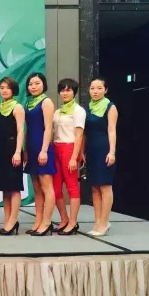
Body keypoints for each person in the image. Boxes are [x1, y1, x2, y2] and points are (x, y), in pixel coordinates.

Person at [84, 78, 118, 236]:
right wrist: (82, 151)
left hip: (104, 149)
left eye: (99, 88)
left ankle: (105, 222)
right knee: (95, 187)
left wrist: (112, 152)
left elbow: (112, 130)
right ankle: (97, 222)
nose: (95, 91)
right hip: (91, 150)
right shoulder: (87, 108)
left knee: (105, 186)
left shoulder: (110, 107)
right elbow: (84, 133)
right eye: (92, 88)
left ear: (106, 90)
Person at [52, 78, 86, 235]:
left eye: (68, 90)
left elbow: (79, 135)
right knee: (55, 188)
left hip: (70, 148)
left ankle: (73, 222)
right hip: (56, 148)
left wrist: (74, 157)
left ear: (74, 92)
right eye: (62, 90)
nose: (65, 93)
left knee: (72, 186)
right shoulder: (57, 112)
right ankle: (64, 219)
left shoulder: (78, 111)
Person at [24, 73, 56, 236]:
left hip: (43, 148)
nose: (33, 86)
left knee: (46, 187)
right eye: (31, 84)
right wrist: (26, 150)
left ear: (43, 84)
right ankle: (38, 221)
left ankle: (47, 222)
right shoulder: (28, 103)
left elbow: (48, 128)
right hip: (31, 147)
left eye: (37, 83)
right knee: (36, 189)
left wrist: (44, 150)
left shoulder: (46, 102)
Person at [0, 77, 25, 235]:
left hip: (13, 148)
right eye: (2, 87)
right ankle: (7, 220)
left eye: (7, 87)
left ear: (13, 90)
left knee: (14, 187)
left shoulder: (17, 107)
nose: (4, 90)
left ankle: (13, 220)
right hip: (1, 150)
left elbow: (20, 130)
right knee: (4, 187)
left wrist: (18, 152)